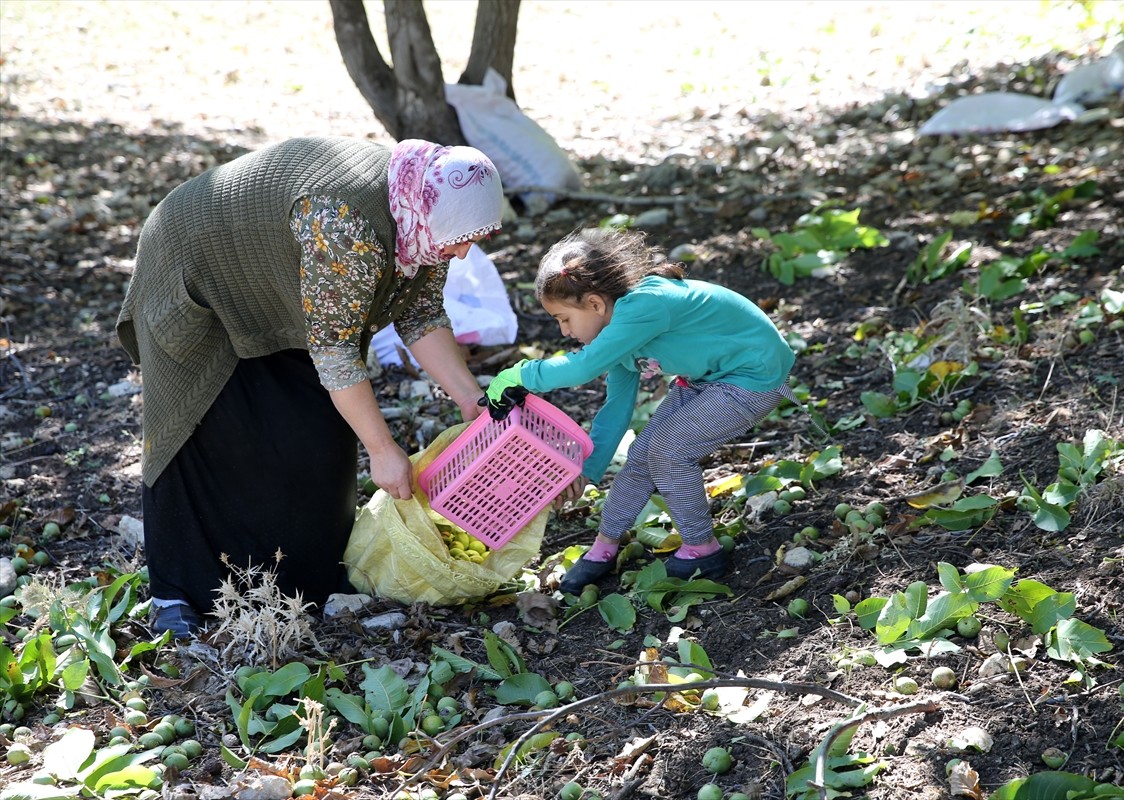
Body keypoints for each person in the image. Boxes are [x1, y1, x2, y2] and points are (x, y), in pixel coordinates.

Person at [117, 137, 504, 637]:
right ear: (427, 209)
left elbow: (420, 313)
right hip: (197, 267)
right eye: (462, 238)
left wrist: (474, 400)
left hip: (281, 285)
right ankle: (177, 594)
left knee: (316, 434)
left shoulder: (428, 216)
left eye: (476, 237)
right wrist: (383, 450)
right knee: (202, 430)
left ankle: (301, 582)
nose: (464, 250)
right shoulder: (347, 222)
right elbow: (337, 353)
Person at [485, 228, 796, 596]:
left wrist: (518, 374)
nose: (564, 331)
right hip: (708, 379)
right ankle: (604, 546)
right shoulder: (620, 339)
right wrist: (586, 472)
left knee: (668, 451)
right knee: (641, 456)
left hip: (754, 376)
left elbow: (580, 368)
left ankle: (702, 548)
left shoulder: (643, 306)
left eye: (563, 318)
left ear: (596, 304)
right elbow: (615, 412)